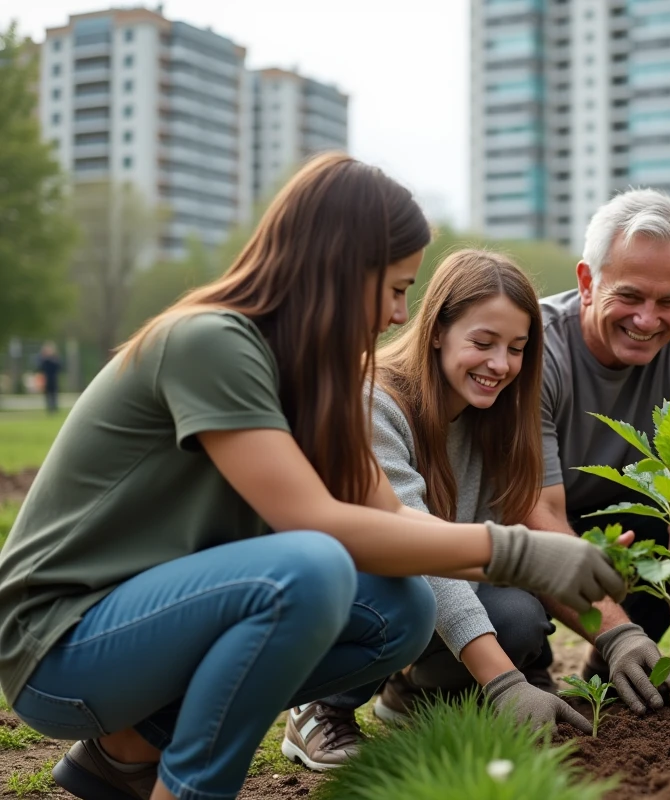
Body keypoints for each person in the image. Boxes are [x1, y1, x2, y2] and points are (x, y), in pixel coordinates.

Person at [0, 153, 626, 800]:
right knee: (313, 567)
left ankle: (130, 750)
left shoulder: (317, 385)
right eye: (393, 288)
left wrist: (548, 558)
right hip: (60, 644)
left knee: (403, 610)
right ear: (337, 269)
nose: (396, 315)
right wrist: (516, 551)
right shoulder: (210, 341)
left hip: (148, 630)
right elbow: (314, 525)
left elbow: (388, 520)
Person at [285, 250, 594, 770]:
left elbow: (491, 549)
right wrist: (504, 682)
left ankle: (411, 696)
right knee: (402, 592)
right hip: (350, 591)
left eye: (516, 349)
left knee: (519, 617)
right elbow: (419, 553)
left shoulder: (494, 415)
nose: (500, 365)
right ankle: (318, 706)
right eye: (483, 342)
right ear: (436, 331)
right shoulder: (373, 402)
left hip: (428, 594)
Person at [526, 188, 670, 721]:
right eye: (630, 296)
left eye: (668, 301)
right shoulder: (531, 345)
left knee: (659, 526)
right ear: (586, 282)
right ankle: (478, 671)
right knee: (513, 630)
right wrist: (617, 631)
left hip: (626, 532)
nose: (648, 320)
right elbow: (532, 511)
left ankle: (612, 668)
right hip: (531, 526)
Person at [37, 342, 62, 414]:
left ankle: (54, 407)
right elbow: (40, 368)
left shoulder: (54, 359)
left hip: (53, 378)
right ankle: (49, 408)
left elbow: (59, 367)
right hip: (46, 378)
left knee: (54, 394)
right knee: (47, 394)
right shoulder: (43, 360)